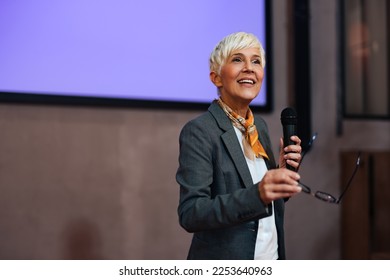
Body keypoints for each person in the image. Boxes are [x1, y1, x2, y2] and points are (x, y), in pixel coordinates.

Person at [176, 32, 302, 260]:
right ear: (216, 78)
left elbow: (262, 204)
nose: (249, 68)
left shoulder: (258, 127)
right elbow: (191, 213)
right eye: (237, 59)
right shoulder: (200, 131)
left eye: (256, 61)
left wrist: (278, 178)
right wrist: (259, 194)